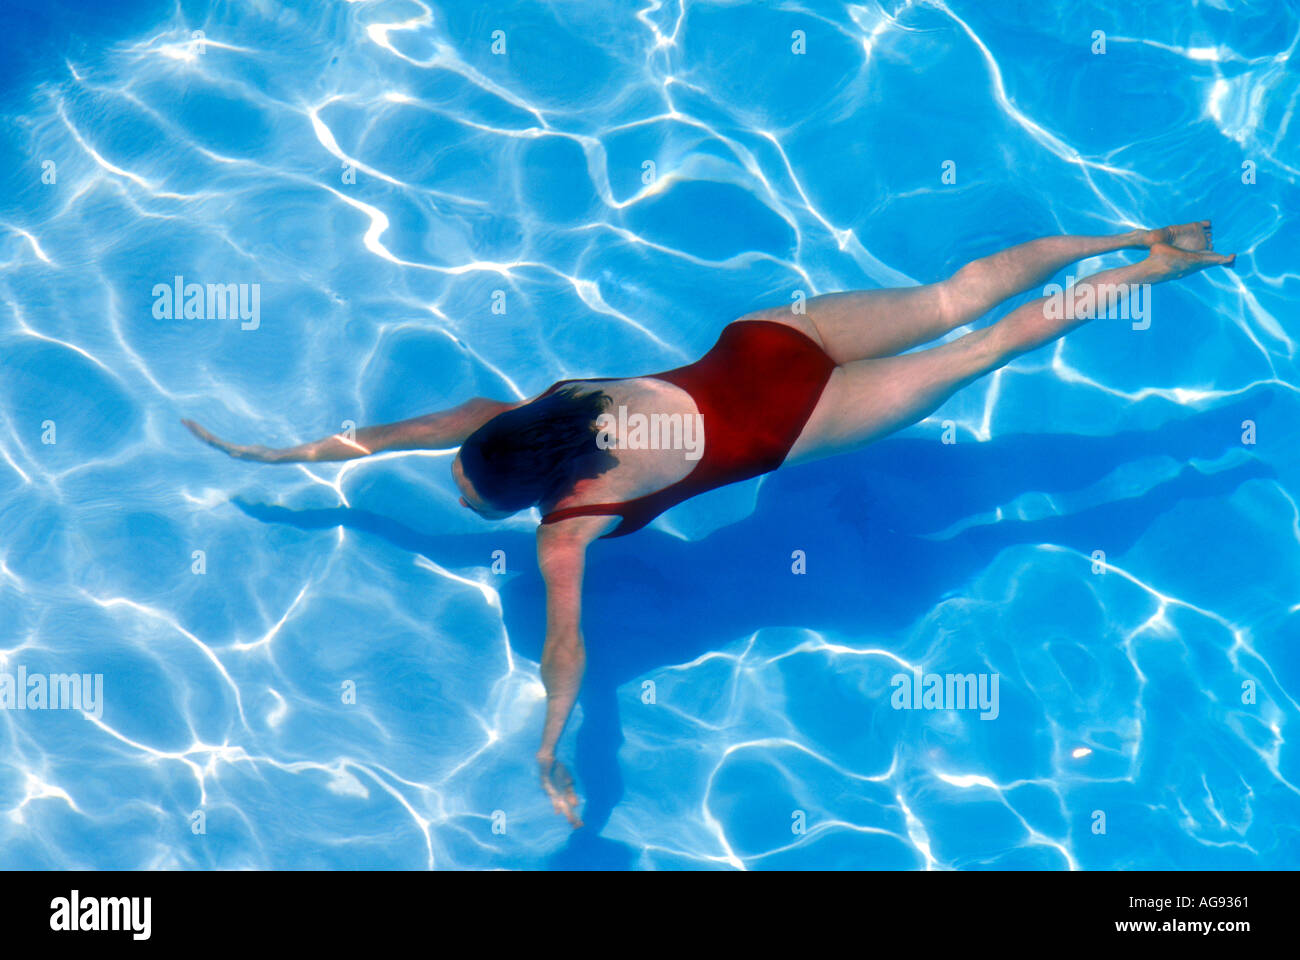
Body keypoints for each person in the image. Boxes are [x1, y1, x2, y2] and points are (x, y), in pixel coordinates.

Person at [184, 222, 1232, 826]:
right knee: (959, 295)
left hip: (799, 421)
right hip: (771, 340)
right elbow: (390, 437)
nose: (462, 491)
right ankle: (1136, 239)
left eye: (475, 495)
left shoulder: (571, 526)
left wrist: (552, 753)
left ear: (522, 494)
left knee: (975, 355)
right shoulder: (541, 407)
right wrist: (275, 455)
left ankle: (1149, 278)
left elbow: (566, 652)